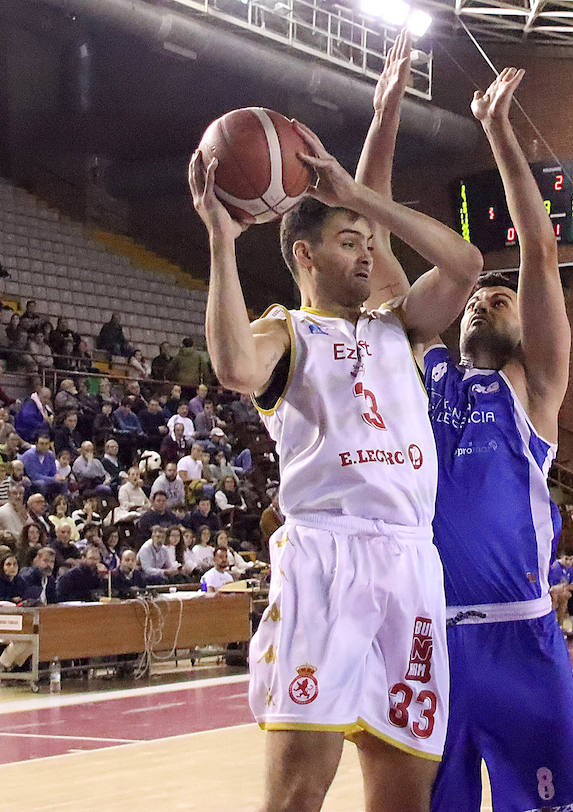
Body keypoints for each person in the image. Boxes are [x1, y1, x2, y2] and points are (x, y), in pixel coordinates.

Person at [192, 87, 482, 810]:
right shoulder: (285, 331)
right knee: (296, 796)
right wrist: (221, 245)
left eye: (369, 243)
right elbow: (231, 366)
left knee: (404, 797)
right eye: (348, 241)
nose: (365, 255)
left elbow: (465, 264)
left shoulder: (400, 327)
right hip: (326, 561)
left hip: (412, 564)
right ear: (305, 253)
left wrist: (362, 200)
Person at [358, 53, 573, 812]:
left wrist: (497, 131)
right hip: (426, 640)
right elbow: (372, 236)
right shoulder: (421, 365)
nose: (482, 300)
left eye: (500, 298)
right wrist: (384, 113)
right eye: (476, 296)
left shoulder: (535, 386)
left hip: (518, 639)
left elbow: (540, 247)